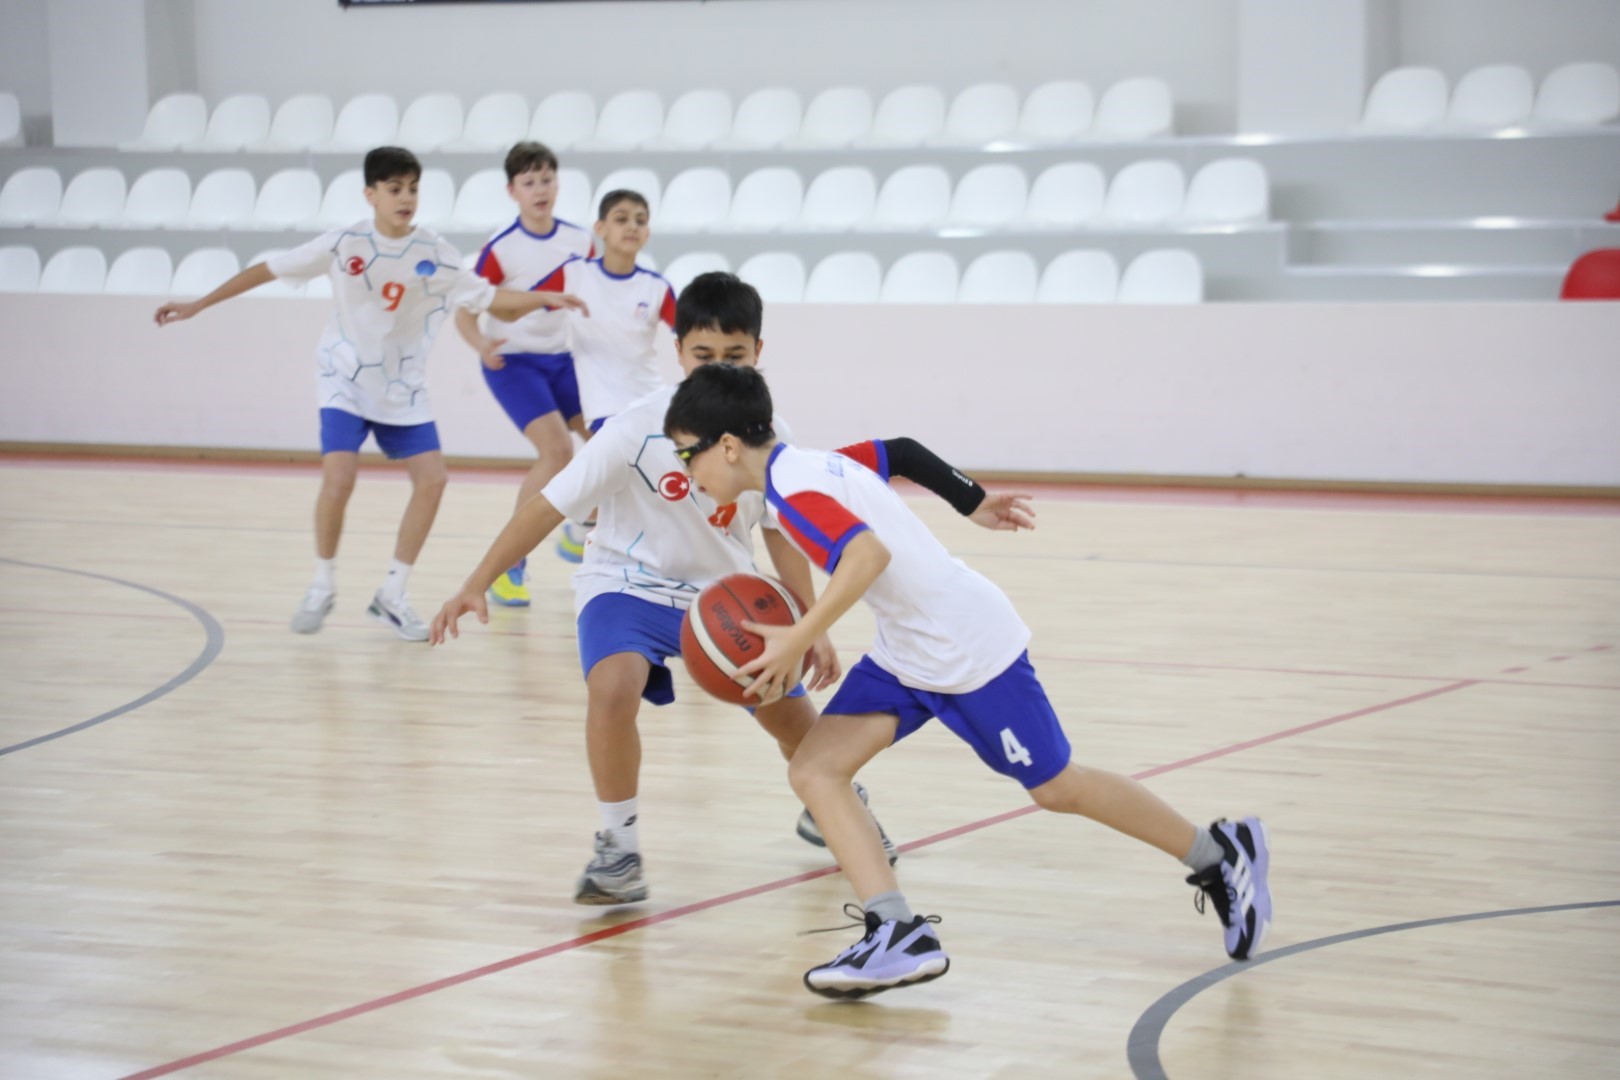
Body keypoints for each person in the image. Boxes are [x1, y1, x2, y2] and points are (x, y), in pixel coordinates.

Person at [662, 362, 1274, 999]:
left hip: (968, 648)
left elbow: (868, 555)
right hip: (909, 651)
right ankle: (895, 933)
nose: (686, 470)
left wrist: (800, 633)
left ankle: (1218, 854)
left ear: (728, 445)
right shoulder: (817, 463)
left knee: (1058, 787)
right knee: (815, 770)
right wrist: (971, 499)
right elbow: (898, 452)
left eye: (687, 453)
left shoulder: (793, 493)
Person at [430, 273, 1032, 905]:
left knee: (799, 727)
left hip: (724, 596)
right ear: (678, 352)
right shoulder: (634, 428)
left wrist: (811, 625)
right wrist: (478, 581)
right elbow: (548, 507)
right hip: (625, 585)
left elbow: (783, 536)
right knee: (611, 686)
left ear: (758, 355)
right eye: (702, 355)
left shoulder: (775, 438)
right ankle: (618, 847)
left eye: (734, 356)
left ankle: (835, 802)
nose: (715, 367)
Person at [154, 146, 585, 641]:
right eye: (394, 189)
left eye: (413, 189)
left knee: (434, 481)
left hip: (403, 387)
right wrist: (198, 305)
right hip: (344, 378)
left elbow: (487, 296)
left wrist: (543, 297)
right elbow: (267, 270)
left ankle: (392, 595)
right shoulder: (343, 243)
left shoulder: (434, 252)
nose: (406, 198)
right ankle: (322, 583)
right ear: (371, 194)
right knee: (339, 478)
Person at [455, 141, 596, 605]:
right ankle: (507, 567)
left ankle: (579, 527)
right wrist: (480, 345)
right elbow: (465, 312)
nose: (540, 189)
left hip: (562, 360)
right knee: (556, 453)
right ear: (512, 190)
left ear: (557, 183)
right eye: (529, 182)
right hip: (512, 362)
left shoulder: (580, 240)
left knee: (606, 443)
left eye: (546, 179)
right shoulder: (500, 249)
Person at [530, 189, 673, 432]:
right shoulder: (574, 274)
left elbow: (690, 335)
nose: (632, 227)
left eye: (640, 221)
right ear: (600, 228)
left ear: (647, 234)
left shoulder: (657, 287)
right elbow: (526, 303)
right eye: (621, 219)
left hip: (654, 406)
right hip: (603, 411)